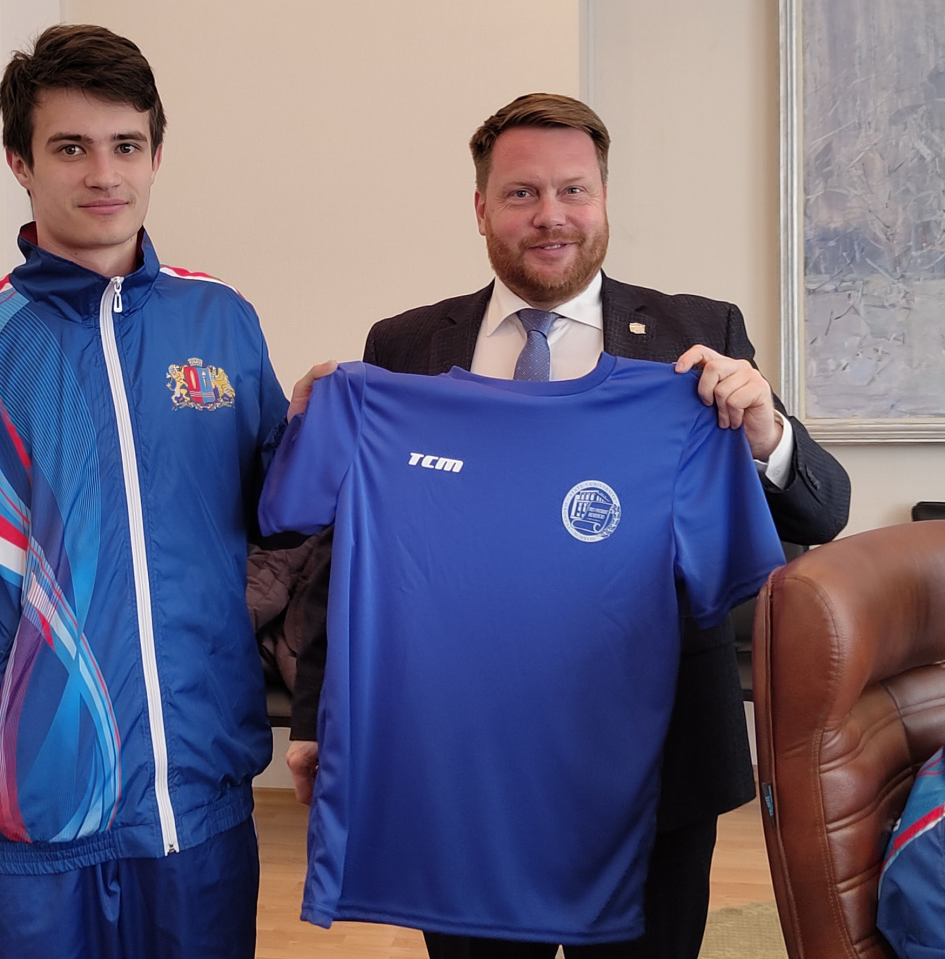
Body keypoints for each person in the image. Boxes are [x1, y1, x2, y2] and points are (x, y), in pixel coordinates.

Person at [284, 92, 851, 958]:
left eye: (572, 190)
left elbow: (822, 511)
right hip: (459, 760)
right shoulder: (403, 347)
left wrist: (764, 430)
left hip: (652, 766)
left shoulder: (694, 337)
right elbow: (352, 544)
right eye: (521, 193)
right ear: (481, 207)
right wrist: (316, 714)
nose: (550, 215)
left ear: (603, 198)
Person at [0, 24, 294, 959]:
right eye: (70, 147)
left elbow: (286, 521)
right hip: (28, 833)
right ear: (20, 162)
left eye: (126, 145)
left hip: (197, 816)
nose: (103, 173)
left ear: (157, 155)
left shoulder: (221, 322)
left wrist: (335, 423)